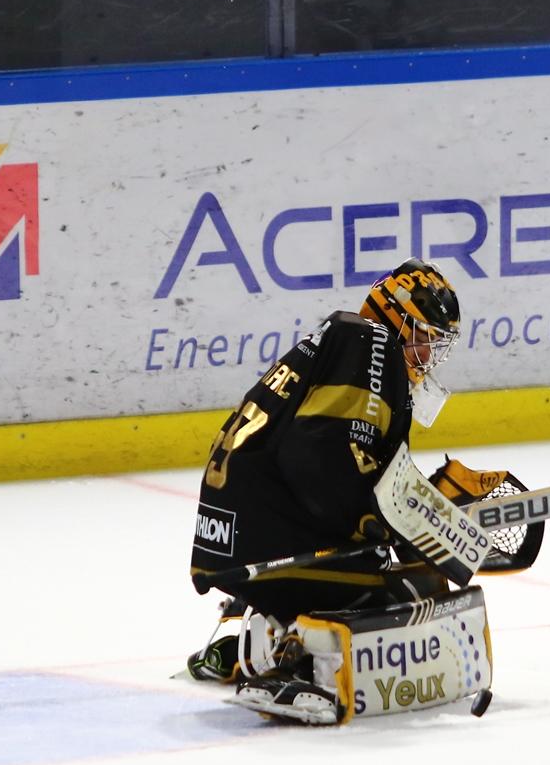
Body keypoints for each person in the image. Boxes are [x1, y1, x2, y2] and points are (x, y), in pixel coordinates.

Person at [184, 257, 500, 723]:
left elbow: (339, 459)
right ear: (395, 318)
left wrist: (414, 502)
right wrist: (374, 519)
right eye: (424, 338)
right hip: (266, 548)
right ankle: (289, 661)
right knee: (414, 588)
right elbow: (316, 458)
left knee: (399, 572)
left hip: (236, 540)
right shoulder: (370, 344)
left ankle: (253, 640)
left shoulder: (347, 346)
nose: (428, 356)